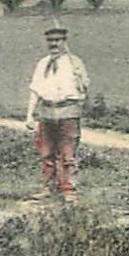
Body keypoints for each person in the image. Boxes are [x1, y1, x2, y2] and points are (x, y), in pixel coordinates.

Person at [24, 24, 90, 198]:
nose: (54, 44)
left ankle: (68, 189)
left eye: (57, 40)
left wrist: (80, 80)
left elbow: (84, 89)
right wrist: (29, 115)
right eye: (50, 41)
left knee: (68, 153)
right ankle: (47, 187)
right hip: (46, 111)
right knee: (46, 152)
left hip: (68, 111)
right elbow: (35, 90)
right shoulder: (42, 64)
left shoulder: (74, 63)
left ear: (64, 41)